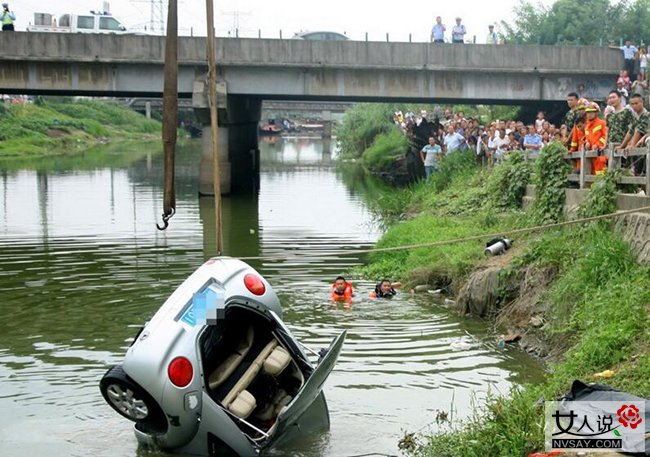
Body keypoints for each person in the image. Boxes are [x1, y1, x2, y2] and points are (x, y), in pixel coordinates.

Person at [583, 102, 608, 175]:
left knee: (600, 173)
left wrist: (597, 144)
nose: (589, 114)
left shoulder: (602, 123)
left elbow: (605, 136)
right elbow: (587, 138)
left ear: (596, 113)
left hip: (600, 153)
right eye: (588, 112)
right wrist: (587, 143)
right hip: (591, 153)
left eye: (591, 112)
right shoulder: (586, 126)